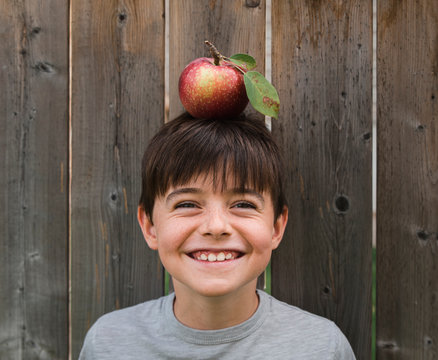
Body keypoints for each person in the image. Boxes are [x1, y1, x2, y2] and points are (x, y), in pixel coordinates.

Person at [79, 113, 356, 359]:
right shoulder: (107, 344)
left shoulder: (322, 348)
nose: (216, 226)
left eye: (243, 205)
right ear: (150, 226)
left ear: (276, 227)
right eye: (187, 204)